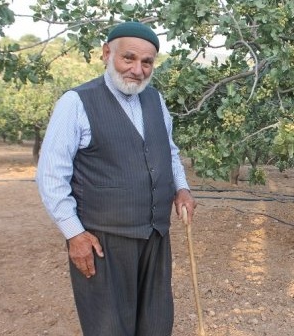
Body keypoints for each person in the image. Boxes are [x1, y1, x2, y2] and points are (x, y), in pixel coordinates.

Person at [36, 21, 196, 336]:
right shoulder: (76, 103)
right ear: (107, 53)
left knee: (155, 323)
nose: (137, 69)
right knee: (108, 328)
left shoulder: (155, 101)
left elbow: (170, 151)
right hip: (102, 242)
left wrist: (182, 189)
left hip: (154, 235)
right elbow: (51, 174)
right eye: (129, 58)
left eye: (146, 62)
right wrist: (74, 234)